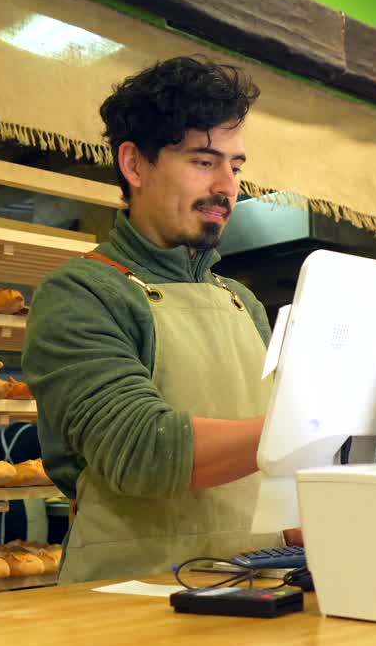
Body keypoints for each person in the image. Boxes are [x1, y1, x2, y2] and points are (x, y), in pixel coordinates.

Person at [23, 56, 296, 584]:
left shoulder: (240, 300)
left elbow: (268, 474)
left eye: (235, 166)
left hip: (257, 587)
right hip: (128, 602)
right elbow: (142, 450)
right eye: (203, 161)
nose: (227, 186)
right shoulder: (81, 293)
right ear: (135, 165)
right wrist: (312, 432)